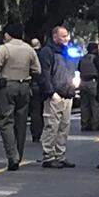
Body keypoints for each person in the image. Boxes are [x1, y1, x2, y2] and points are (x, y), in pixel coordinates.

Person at [0, 22, 42, 171]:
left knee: (6, 121)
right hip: (24, 86)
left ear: (7, 35)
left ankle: (13, 156)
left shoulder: (5, 49)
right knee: (21, 122)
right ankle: (19, 153)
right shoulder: (29, 49)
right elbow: (37, 69)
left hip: (7, 85)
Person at [37, 26, 77, 168]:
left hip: (68, 94)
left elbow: (72, 69)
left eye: (67, 35)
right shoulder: (47, 52)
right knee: (51, 126)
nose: (67, 38)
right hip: (55, 95)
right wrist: (51, 93)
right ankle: (48, 156)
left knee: (64, 127)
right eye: (63, 36)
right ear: (55, 37)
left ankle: (60, 155)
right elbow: (44, 75)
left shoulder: (67, 51)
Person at [78, 42, 99, 131]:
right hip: (93, 82)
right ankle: (96, 124)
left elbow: (79, 68)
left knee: (84, 105)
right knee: (95, 104)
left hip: (83, 82)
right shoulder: (96, 58)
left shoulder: (83, 58)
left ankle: (85, 124)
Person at [28, 37, 44, 143]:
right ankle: (42, 132)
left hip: (32, 85)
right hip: (42, 85)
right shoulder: (43, 55)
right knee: (43, 110)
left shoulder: (28, 56)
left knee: (35, 111)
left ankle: (35, 134)